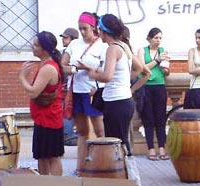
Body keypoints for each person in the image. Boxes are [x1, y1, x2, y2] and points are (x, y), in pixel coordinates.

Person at [88, 14, 150, 155]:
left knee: (116, 147)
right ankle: (127, 174)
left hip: (116, 102)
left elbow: (107, 76)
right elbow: (139, 68)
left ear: (103, 31)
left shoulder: (112, 49)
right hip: (123, 100)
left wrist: (93, 74)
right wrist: (124, 83)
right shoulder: (123, 46)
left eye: (99, 30)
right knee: (122, 144)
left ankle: (126, 175)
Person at [61, 12, 107, 174]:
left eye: (85, 28)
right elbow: (63, 65)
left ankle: (103, 164)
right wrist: (73, 69)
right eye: (80, 28)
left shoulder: (102, 45)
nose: (82, 32)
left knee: (100, 130)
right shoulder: (74, 44)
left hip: (93, 90)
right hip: (77, 91)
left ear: (93, 27)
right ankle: (80, 167)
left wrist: (86, 68)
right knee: (82, 131)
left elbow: (105, 70)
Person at [19, 31, 64, 176]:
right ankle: (44, 185)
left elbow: (33, 92)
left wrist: (22, 78)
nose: (32, 46)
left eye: (36, 44)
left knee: (52, 156)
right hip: (43, 118)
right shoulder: (45, 64)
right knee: (42, 155)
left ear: (44, 49)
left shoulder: (48, 68)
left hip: (49, 118)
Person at [137, 27, 171, 161]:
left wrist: (166, 69)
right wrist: (157, 61)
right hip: (146, 86)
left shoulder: (162, 51)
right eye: (156, 38)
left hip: (159, 86)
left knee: (160, 118)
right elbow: (141, 68)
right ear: (149, 38)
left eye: (160, 38)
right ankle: (151, 148)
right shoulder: (142, 51)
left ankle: (162, 147)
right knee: (148, 118)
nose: (158, 41)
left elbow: (166, 71)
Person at [59, 27, 80, 146]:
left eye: (66, 38)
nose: (63, 40)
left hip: (76, 89)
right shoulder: (61, 53)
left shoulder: (79, 52)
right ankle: (68, 135)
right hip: (63, 90)